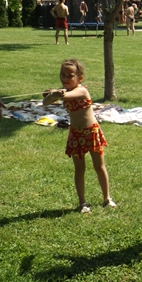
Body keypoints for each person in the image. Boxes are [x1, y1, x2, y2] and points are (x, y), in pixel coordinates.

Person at [43, 59, 116, 214]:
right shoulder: (62, 92)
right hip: (76, 134)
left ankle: (107, 198)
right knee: (79, 169)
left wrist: (56, 94)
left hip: (91, 132)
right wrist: (51, 96)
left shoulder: (82, 91)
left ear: (80, 78)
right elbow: (45, 103)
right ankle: (82, 203)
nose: (66, 78)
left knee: (99, 166)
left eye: (70, 75)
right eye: (63, 75)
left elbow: (69, 95)